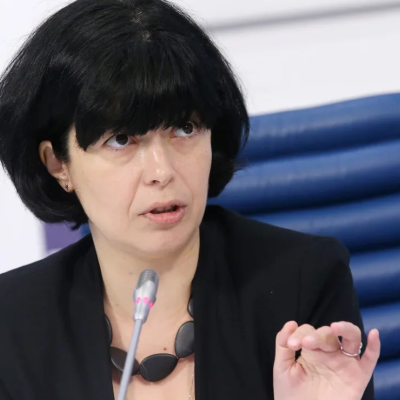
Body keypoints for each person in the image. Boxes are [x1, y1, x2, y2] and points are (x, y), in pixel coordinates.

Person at [0, 0, 380, 399]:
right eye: (122, 139)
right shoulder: (11, 326)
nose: (162, 171)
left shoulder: (302, 283)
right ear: (58, 164)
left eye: (185, 128)